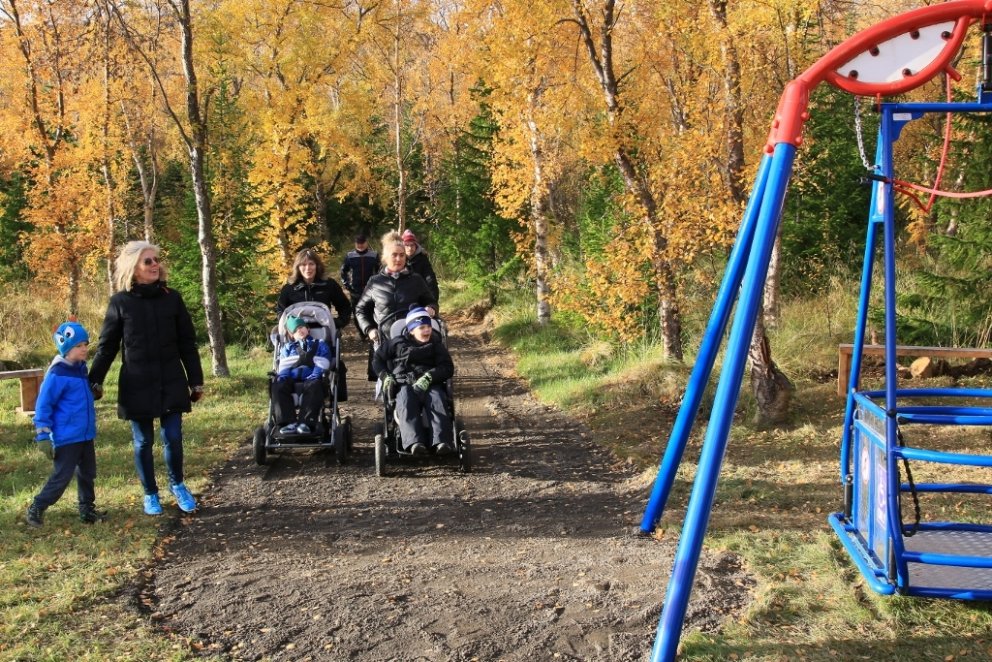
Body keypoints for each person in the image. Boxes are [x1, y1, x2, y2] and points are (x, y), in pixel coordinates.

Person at [89, 241, 204, 516]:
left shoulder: (172, 298)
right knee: (143, 441)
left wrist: (195, 380)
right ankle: (150, 493)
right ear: (134, 269)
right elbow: (107, 346)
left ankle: (178, 485)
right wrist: (94, 381)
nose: (155, 265)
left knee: (173, 437)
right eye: (148, 262)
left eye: (156, 260)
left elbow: (188, 342)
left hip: (171, 378)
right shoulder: (120, 302)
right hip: (137, 381)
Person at [26, 321, 105, 527]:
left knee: (88, 473)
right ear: (67, 348)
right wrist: (43, 435)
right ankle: (37, 507)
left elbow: (77, 398)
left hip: (85, 434)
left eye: (86, 345)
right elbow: (43, 406)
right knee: (62, 477)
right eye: (79, 346)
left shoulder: (80, 369)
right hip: (66, 437)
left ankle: (87, 510)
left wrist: (93, 393)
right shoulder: (56, 374)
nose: (85, 349)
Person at [355, 230, 438, 381]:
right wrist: (369, 329)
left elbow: (430, 301)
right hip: (384, 342)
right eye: (394, 255)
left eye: (402, 255)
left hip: (412, 340)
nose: (398, 258)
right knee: (389, 387)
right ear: (385, 257)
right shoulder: (375, 282)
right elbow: (360, 309)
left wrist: (431, 308)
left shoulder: (416, 280)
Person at [372, 307, 454, 455]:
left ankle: (442, 441)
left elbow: (447, 367)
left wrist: (429, 376)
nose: (427, 330)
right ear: (411, 330)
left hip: (429, 383)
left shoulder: (436, 345)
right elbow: (377, 359)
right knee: (405, 400)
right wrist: (385, 376)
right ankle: (414, 443)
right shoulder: (397, 343)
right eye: (422, 327)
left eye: (428, 326)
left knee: (437, 399)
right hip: (404, 383)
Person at [272, 315, 331, 435]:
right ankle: (288, 423)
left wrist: (316, 373)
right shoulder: (288, 348)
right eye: (295, 330)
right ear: (291, 335)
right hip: (291, 378)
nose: (299, 330)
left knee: (314, 385)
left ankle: (306, 423)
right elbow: (284, 364)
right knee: (278, 386)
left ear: (308, 329)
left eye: (301, 327)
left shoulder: (319, 344)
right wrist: (282, 376)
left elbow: (323, 360)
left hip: (311, 377)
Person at [277, 248, 352, 330]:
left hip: (324, 334)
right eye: (303, 265)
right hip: (297, 335)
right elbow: (281, 312)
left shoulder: (329, 284)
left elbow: (345, 307)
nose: (308, 268)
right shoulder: (289, 288)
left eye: (311, 264)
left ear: (317, 266)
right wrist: (290, 327)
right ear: (298, 267)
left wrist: (336, 323)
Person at [340, 234, 379, 335]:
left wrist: (378, 285)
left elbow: (379, 271)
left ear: (366, 243)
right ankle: (362, 334)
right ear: (355, 244)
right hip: (355, 290)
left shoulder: (374, 255)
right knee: (357, 312)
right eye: (358, 243)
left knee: (371, 311)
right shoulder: (350, 256)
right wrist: (347, 285)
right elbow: (343, 271)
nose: (360, 245)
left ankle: (372, 330)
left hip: (371, 290)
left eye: (362, 243)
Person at [401, 228, 440, 302]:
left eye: (412, 245)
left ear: (416, 246)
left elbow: (430, 279)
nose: (410, 248)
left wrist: (433, 302)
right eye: (407, 245)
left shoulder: (422, 259)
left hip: (420, 296)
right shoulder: (398, 260)